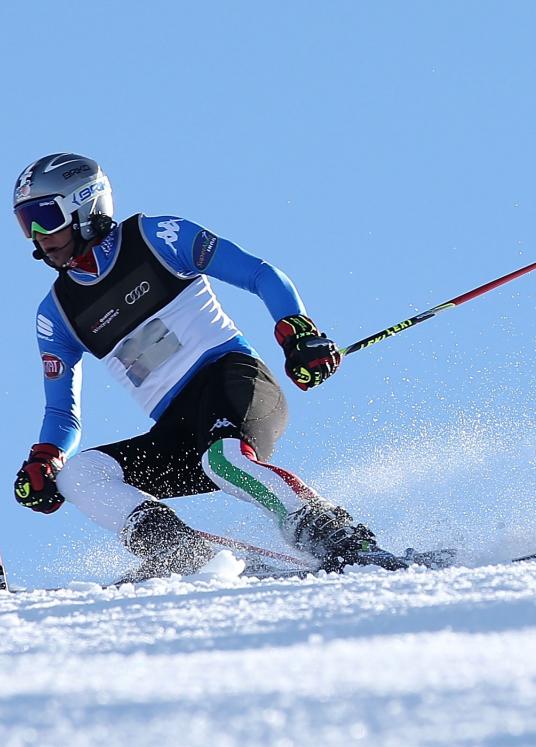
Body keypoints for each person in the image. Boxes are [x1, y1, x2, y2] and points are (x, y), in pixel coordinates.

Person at [12, 153, 382, 581]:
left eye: (45, 217)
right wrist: (46, 458)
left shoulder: (156, 237)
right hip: (178, 428)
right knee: (80, 475)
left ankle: (340, 538)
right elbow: (62, 413)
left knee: (224, 461)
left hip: (231, 379)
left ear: (85, 205)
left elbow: (261, 275)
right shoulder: (57, 313)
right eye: (27, 224)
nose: (38, 236)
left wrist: (296, 330)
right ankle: (185, 557)